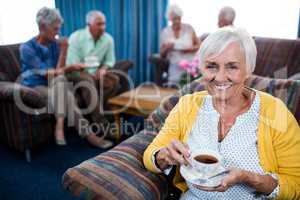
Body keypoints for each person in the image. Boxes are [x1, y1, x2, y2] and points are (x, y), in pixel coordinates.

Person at [144, 27, 300, 199]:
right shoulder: (188, 105)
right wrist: (164, 156)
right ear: (201, 68)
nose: (220, 77)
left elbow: (296, 184)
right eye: (211, 66)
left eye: (232, 67)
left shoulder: (275, 111)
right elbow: (151, 154)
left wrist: (250, 178)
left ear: (248, 69)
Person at [19, 7, 112, 148]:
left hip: (56, 81)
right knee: (66, 92)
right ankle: (89, 136)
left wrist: (63, 51)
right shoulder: (27, 48)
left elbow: (58, 72)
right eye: (55, 29)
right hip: (36, 85)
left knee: (61, 81)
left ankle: (60, 124)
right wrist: (70, 67)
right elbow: (48, 73)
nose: (58, 33)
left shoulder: (55, 44)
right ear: (43, 27)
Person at [66, 11, 119, 147]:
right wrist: (89, 71)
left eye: (104, 23)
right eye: (99, 24)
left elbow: (109, 60)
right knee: (88, 81)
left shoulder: (108, 39)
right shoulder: (76, 37)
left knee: (114, 80)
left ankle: (100, 111)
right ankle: (102, 125)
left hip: (95, 71)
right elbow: (72, 64)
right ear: (89, 24)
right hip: (76, 73)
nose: (103, 27)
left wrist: (103, 69)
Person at [160, 4, 200, 86]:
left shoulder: (189, 28)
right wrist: (167, 48)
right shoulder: (165, 32)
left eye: (179, 18)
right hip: (175, 66)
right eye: (175, 19)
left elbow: (199, 45)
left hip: (191, 65)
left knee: (192, 86)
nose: (177, 21)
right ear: (170, 19)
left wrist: (188, 49)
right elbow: (162, 54)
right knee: (175, 88)